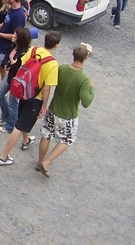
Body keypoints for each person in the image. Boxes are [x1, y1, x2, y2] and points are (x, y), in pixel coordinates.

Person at [0, 31, 61, 166]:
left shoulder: (33, 50)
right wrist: (44, 106)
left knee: (22, 118)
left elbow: (21, 65)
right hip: (36, 97)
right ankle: (3, 156)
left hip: (25, 91)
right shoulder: (52, 63)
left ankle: (26, 140)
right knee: (19, 126)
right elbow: (47, 88)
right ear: (56, 45)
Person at [36, 44, 95, 177]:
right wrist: (92, 89)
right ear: (85, 58)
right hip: (68, 115)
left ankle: (40, 161)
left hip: (53, 108)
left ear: (73, 54)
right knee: (68, 139)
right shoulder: (84, 79)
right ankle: (47, 162)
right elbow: (86, 102)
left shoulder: (61, 68)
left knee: (47, 134)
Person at [0, 27, 32, 133]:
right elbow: (8, 57)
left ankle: (11, 125)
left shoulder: (24, 53)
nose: (13, 36)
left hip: (17, 80)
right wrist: (8, 64)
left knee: (13, 103)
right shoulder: (13, 46)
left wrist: (12, 63)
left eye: (15, 35)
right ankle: (5, 116)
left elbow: (21, 69)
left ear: (20, 38)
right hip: (10, 76)